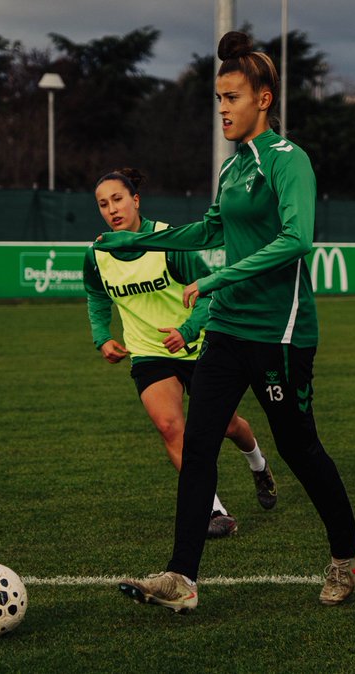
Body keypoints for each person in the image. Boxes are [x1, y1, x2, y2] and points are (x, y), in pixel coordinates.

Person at [98, 31, 355, 613]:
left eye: (232, 97)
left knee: (299, 448)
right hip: (228, 327)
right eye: (218, 98)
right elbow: (212, 229)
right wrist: (141, 239)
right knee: (198, 444)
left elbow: (298, 240)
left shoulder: (287, 161)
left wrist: (219, 279)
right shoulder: (232, 169)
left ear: (263, 100)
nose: (222, 108)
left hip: (281, 331)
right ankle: (181, 577)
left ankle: (347, 552)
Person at [85, 167, 278, 539]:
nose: (112, 209)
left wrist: (186, 331)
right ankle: (214, 510)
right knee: (171, 427)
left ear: (136, 200)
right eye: (103, 204)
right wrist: (101, 337)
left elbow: (208, 294)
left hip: (198, 344)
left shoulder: (169, 241)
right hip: (148, 353)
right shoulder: (98, 253)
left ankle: (258, 464)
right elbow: (96, 295)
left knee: (228, 426)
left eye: (118, 199)